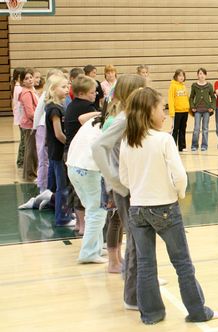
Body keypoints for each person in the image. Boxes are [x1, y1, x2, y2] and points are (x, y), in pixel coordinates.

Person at [119, 87, 218, 325]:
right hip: (164, 206)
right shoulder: (163, 139)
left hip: (138, 209)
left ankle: (151, 315)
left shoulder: (127, 141)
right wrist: (179, 193)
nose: (164, 113)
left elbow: (123, 179)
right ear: (148, 111)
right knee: (182, 263)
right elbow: (180, 176)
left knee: (145, 265)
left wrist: (140, 187)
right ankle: (197, 311)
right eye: (161, 108)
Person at [92, 74, 147, 305]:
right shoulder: (123, 119)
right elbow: (98, 147)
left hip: (133, 186)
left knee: (137, 239)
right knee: (135, 240)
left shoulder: (129, 118)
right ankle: (133, 296)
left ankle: (139, 284)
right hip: (125, 189)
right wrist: (112, 180)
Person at [67, 116, 106, 264]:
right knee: (97, 211)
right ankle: (88, 252)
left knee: (93, 210)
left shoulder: (95, 119)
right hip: (88, 169)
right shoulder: (113, 123)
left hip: (73, 167)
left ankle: (95, 247)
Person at [65, 75, 100, 235]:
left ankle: (79, 224)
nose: (95, 95)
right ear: (82, 93)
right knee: (81, 193)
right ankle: (83, 225)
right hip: (78, 154)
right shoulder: (86, 107)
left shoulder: (73, 105)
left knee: (75, 190)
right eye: (93, 92)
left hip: (71, 152)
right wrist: (99, 113)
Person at [45, 75, 74, 227]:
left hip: (56, 152)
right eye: (63, 87)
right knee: (63, 187)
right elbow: (58, 134)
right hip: (58, 152)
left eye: (67, 86)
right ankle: (63, 218)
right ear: (53, 89)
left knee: (63, 186)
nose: (67, 89)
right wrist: (70, 145)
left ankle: (65, 213)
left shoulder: (59, 106)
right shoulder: (55, 109)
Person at [33, 69, 64, 193]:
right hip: (42, 127)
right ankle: (42, 186)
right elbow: (38, 112)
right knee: (43, 157)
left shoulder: (57, 102)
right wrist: (35, 128)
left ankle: (47, 185)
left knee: (48, 159)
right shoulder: (46, 97)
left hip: (47, 126)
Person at [18, 68, 39, 182]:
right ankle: (30, 174)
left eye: (31, 77)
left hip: (32, 124)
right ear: (22, 82)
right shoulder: (26, 93)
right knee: (31, 150)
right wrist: (38, 120)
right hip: (30, 125)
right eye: (26, 78)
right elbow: (30, 113)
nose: (30, 80)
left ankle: (31, 173)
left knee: (31, 149)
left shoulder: (32, 90)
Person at [189, 68, 216, 151]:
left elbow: (213, 97)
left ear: (206, 75)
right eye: (200, 73)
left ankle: (204, 145)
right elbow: (191, 97)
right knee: (196, 128)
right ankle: (194, 145)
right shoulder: (194, 85)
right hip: (197, 110)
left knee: (205, 129)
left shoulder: (209, 86)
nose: (202, 75)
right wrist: (192, 107)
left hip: (206, 111)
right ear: (197, 75)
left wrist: (212, 107)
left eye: (203, 74)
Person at [168, 69, 190, 151]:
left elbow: (186, 98)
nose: (181, 77)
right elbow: (171, 99)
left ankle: (182, 146)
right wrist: (172, 112)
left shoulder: (184, 86)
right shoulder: (173, 86)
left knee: (183, 129)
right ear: (176, 76)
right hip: (177, 112)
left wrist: (189, 109)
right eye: (180, 75)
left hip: (185, 111)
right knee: (175, 129)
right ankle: (173, 147)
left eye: (183, 75)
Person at [12, 67, 25, 169]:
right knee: (23, 140)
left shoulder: (17, 87)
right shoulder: (19, 89)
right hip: (22, 118)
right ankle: (21, 160)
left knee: (23, 139)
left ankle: (21, 160)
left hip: (19, 117)